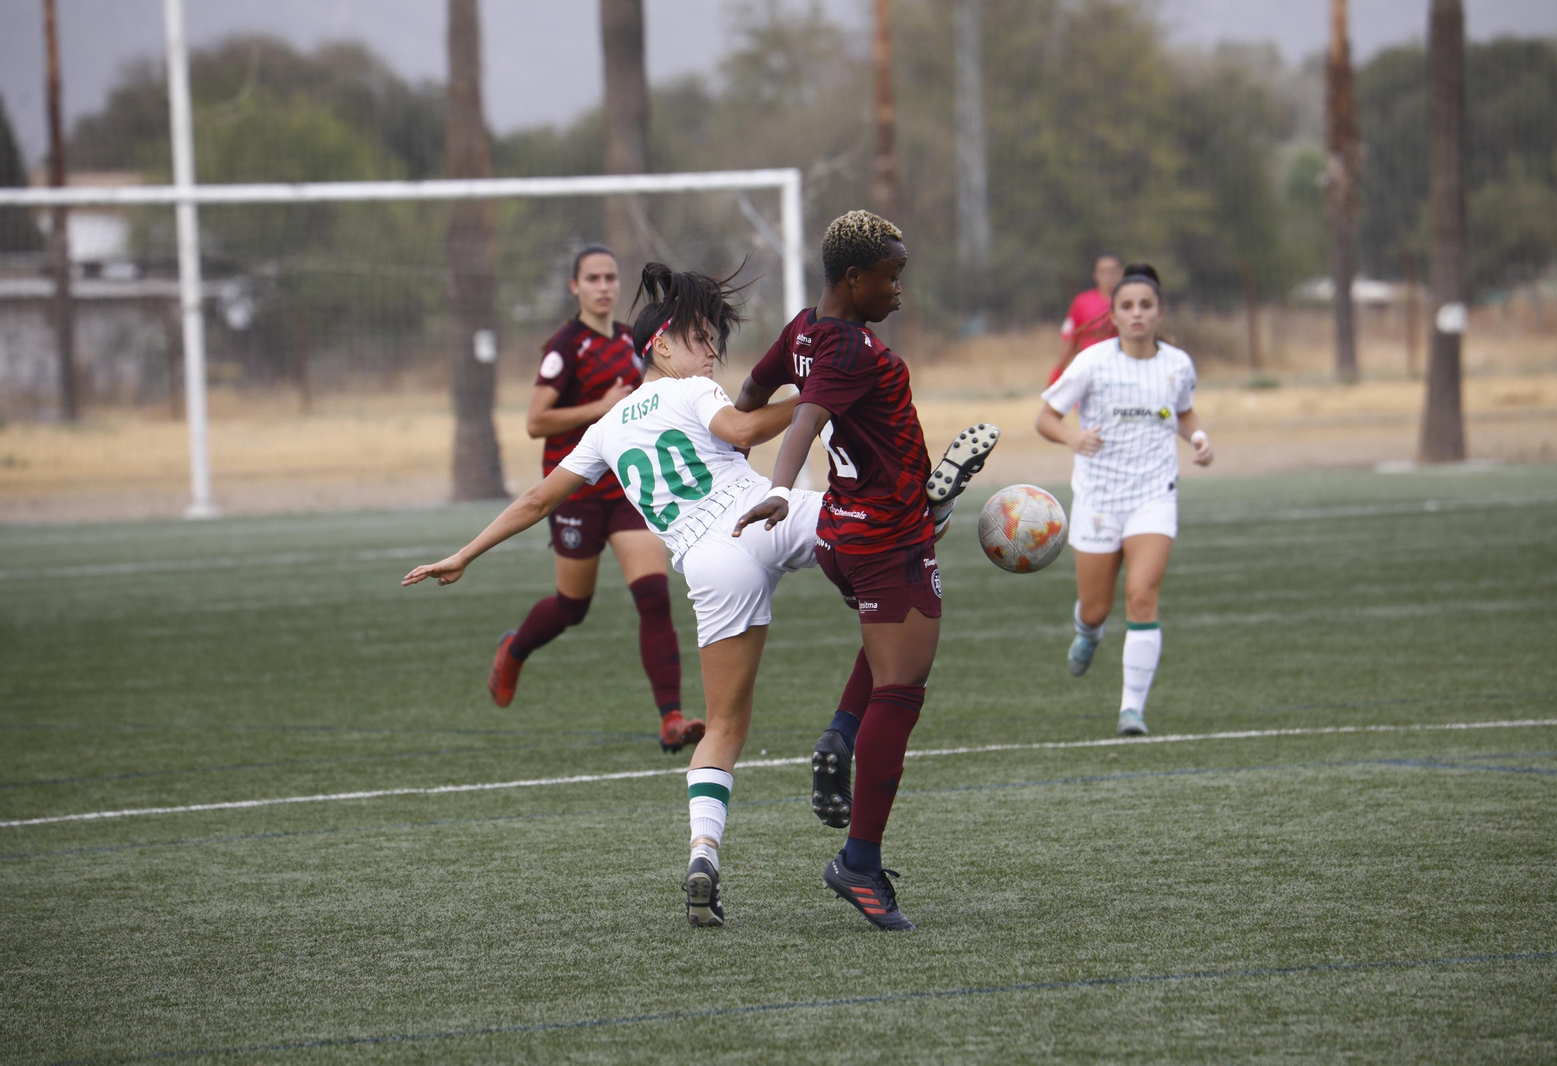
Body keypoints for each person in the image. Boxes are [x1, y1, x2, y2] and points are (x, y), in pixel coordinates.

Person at [404, 263, 820, 929]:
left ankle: (703, 852)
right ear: (662, 348)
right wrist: (820, 396)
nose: (713, 350)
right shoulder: (690, 390)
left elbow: (539, 498)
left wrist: (464, 554)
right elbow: (743, 434)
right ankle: (919, 518)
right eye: (701, 338)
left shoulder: (607, 427)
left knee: (724, 728)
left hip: (708, 564)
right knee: (868, 529)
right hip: (757, 515)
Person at [734, 210, 996, 931]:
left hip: (844, 538)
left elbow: (752, 400)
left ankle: (841, 735)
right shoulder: (848, 348)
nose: (899, 290)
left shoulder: (803, 332)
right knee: (902, 691)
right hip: (888, 542)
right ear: (855, 279)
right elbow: (804, 423)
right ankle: (859, 862)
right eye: (891, 277)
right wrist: (781, 487)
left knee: (888, 653)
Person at [486, 244, 698, 755]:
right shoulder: (564, 346)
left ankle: (671, 717)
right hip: (574, 490)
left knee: (653, 596)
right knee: (572, 606)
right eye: (593, 279)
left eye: (610, 277)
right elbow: (536, 421)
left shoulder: (633, 341)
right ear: (574, 287)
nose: (604, 286)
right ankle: (514, 649)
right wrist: (598, 407)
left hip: (624, 488)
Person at [1034, 263, 1214, 737]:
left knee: (1142, 596)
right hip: (1098, 498)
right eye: (1128, 306)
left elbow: (1184, 412)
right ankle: (1089, 633)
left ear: (1160, 312)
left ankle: (1131, 710)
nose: (1137, 314)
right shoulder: (1092, 362)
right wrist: (1072, 438)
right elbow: (1046, 419)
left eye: (1146, 306)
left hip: (1153, 497)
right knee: (1096, 608)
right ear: (1113, 314)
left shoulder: (1177, 364)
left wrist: (1198, 438)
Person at [1047, 252, 1122, 385]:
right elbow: (1070, 339)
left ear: (1120, 272)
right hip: (1089, 373)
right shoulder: (1081, 302)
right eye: (1104, 272)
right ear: (1095, 275)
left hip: (1120, 371)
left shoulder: (1129, 302)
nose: (1109, 277)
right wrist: (1058, 370)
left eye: (1112, 271)